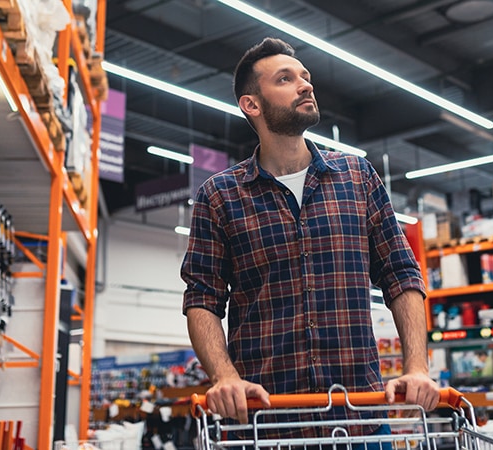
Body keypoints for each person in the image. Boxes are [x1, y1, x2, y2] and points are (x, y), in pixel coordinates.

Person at [180, 37, 438, 439]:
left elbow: (402, 275)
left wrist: (417, 367)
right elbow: (202, 298)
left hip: (359, 421)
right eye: (285, 79)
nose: (305, 85)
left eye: (306, 77)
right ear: (252, 104)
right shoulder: (220, 195)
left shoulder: (358, 177)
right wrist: (224, 376)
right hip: (265, 426)